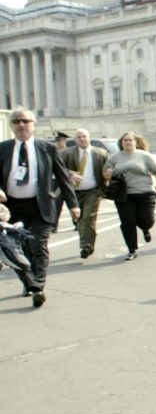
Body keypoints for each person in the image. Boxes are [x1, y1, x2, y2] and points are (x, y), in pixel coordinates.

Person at [0, 108, 80, 307]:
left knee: (38, 246)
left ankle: (38, 286)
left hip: (40, 205)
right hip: (11, 208)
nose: (21, 125)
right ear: (11, 126)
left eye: (25, 121)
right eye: (16, 122)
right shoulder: (3, 148)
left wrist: (73, 205)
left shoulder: (47, 148)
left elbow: (63, 177)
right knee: (15, 250)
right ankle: (29, 282)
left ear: (33, 125)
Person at [102, 132, 156, 260]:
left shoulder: (144, 155)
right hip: (124, 194)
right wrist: (108, 173)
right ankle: (132, 249)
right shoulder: (115, 157)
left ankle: (145, 229)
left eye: (130, 140)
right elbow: (105, 172)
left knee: (147, 220)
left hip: (145, 192)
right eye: (125, 140)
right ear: (121, 143)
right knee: (127, 222)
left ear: (135, 142)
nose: (128, 142)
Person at [61, 128, 108, 259]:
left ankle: (86, 246)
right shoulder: (67, 154)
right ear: (75, 140)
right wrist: (69, 173)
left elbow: (108, 168)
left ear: (89, 137)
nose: (82, 139)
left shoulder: (100, 153)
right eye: (79, 137)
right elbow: (57, 168)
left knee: (88, 216)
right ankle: (88, 238)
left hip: (93, 191)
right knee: (79, 220)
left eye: (85, 137)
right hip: (73, 192)